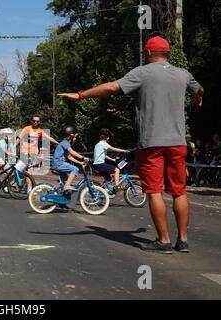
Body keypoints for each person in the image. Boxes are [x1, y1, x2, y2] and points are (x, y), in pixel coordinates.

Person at [59, 36, 204, 254]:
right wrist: (197, 98)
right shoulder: (183, 74)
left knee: (155, 191)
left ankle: (163, 240)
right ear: (168, 53)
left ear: (147, 53)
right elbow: (200, 89)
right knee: (179, 191)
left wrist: (81, 95)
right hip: (178, 142)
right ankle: (182, 240)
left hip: (151, 143)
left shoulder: (142, 72)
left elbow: (111, 87)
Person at [51, 125, 90, 192]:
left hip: (58, 164)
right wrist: (82, 157)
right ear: (71, 135)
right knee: (75, 169)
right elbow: (72, 152)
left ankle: (63, 194)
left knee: (66, 185)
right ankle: (67, 186)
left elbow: (69, 157)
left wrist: (80, 162)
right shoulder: (65, 142)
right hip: (59, 164)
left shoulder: (65, 143)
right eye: (75, 137)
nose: (75, 139)